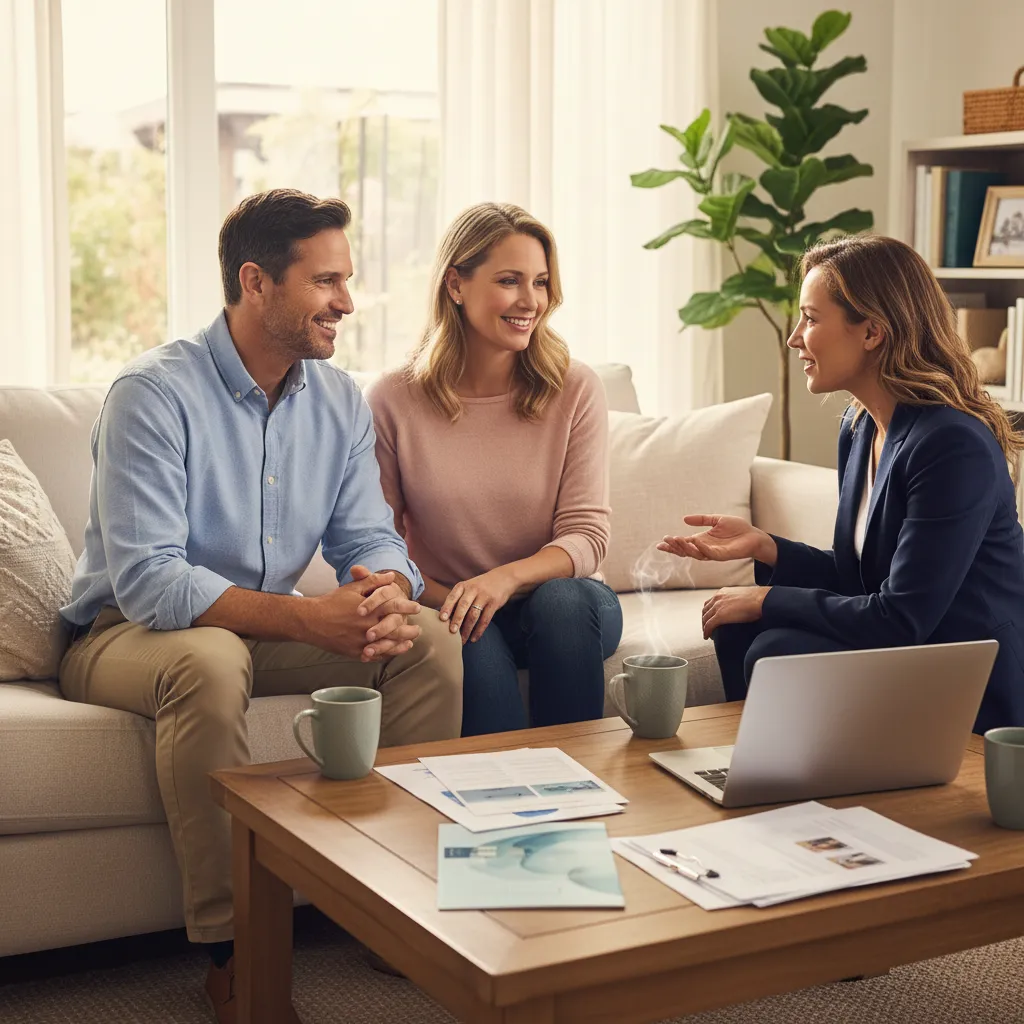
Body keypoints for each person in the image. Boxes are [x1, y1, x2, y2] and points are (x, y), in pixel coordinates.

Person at [58, 189, 463, 1023]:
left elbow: (368, 535)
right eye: (326, 282)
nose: (347, 302)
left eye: (346, 281)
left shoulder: (338, 401)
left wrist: (386, 591)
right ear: (256, 282)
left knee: (425, 638)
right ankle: (232, 950)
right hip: (123, 636)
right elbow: (153, 586)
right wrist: (312, 619)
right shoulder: (152, 393)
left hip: (251, 627)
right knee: (211, 656)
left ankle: (395, 909)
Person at [658, 234, 1024, 736]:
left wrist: (767, 598)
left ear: (871, 332)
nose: (793, 338)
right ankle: (761, 776)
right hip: (908, 648)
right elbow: (861, 581)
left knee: (774, 647)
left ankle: (789, 780)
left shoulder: (951, 445)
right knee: (741, 625)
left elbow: (900, 617)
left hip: (964, 676)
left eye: (810, 318)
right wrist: (768, 549)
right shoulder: (860, 426)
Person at [366, 202, 622, 736]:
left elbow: (587, 535)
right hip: (451, 606)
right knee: (470, 642)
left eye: (541, 282)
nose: (531, 301)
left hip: (566, 605)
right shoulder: (393, 399)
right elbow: (379, 546)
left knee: (563, 603)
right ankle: (499, 808)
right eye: (510, 281)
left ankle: (581, 784)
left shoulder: (574, 388)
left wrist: (502, 581)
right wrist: (462, 598)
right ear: (455, 284)